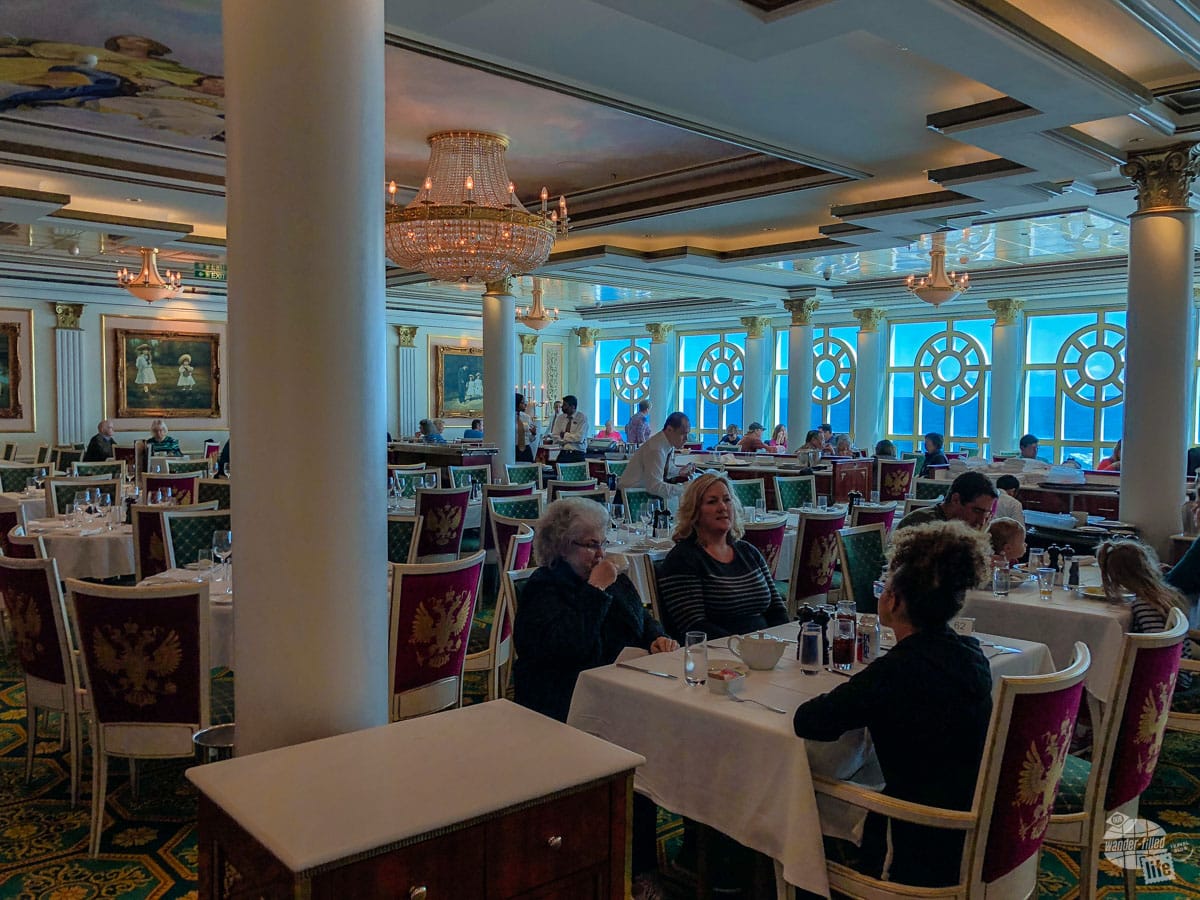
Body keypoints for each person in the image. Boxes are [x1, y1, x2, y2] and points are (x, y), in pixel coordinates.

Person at [793, 520, 993, 887]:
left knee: (798, 792)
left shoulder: (896, 672)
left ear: (895, 600)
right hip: (971, 821)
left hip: (915, 834)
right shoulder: (971, 654)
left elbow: (809, 721)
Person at [512, 497, 677, 899]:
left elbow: (642, 618)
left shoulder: (611, 576)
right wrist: (596, 589)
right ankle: (629, 868)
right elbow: (570, 647)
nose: (600, 554)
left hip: (622, 691)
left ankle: (663, 857)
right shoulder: (544, 588)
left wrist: (657, 637)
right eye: (589, 545)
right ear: (560, 547)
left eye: (602, 543)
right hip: (564, 699)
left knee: (666, 737)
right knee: (634, 748)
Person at [656, 473, 789, 640]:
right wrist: (743, 646)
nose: (722, 507)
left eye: (727, 500)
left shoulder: (748, 552)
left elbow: (777, 610)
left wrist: (781, 642)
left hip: (763, 646)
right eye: (712, 502)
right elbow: (694, 625)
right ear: (695, 512)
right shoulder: (683, 559)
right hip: (717, 649)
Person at [1099, 540, 1193, 690]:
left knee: (1105, 665)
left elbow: (1157, 647)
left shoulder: (1144, 605)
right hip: (1177, 672)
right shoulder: (1163, 593)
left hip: (1169, 679)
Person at [617, 412, 695, 500]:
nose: (686, 438)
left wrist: (679, 471)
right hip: (629, 499)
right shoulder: (656, 449)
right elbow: (654, 486)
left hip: (639, 496)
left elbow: (664, 470)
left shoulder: (666, 444)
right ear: (669, 429)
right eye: (683, 434)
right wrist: (684, 489)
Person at [895, 470, 997, 531]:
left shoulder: (966, 527)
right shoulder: (921, 525)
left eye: (987, 514)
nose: (982, 521)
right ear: (956, 500)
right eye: (977, 511)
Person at [549, 394, 587, 463]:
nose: (562, 407)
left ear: (573, 406)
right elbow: (555, 436)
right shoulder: (560, 418)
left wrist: (564, 435)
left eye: (565, 405)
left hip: (577, 453)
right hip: (564, 452)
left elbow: (579, 438)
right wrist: (569, 439)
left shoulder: (582, 418)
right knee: (557, 468)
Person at [515, 393, 537, 462]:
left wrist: (533, 434)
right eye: (522, 403)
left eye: (525, 402)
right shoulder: (508, 417)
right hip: (513, 449)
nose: (525, 405)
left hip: (526, 449)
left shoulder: (526, 417)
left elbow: (531, 439)